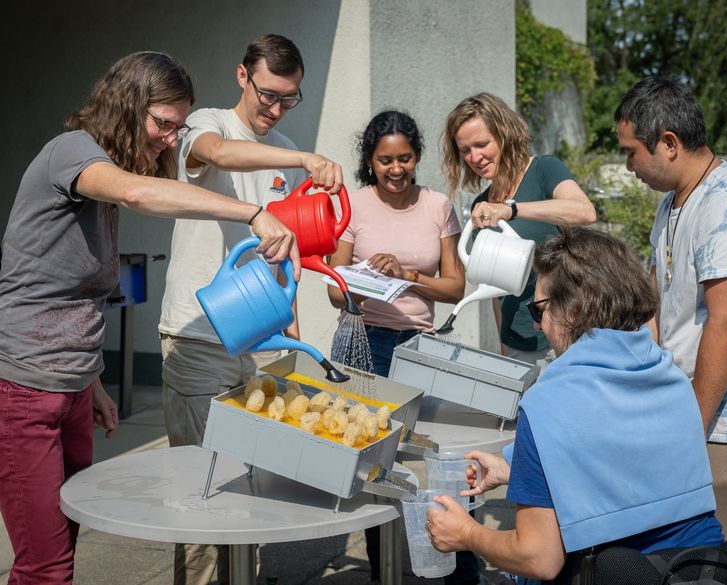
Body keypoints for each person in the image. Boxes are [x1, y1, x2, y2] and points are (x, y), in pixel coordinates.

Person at [0, 51, 299, 585]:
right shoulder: (73, 152)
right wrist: (253, 212)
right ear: (127, 104)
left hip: (69, 386)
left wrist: (91, 381)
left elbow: (66, 293)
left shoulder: (101, 179)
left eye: (178, 127)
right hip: (25, 389)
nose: (170, 138)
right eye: (163, 124)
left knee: (62, 549)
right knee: (44, 568)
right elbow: (141, 193)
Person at [427, 227, 724, 583]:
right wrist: (517, 470)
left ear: (573, 311)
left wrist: (466, 534)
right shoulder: (672, 379)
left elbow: (538, 558)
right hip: (697, 571)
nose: (538, 328)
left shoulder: (547, 403)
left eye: (538, 310)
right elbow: (619, 469)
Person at [157, 34, 343, 585]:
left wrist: (295, 342)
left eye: (290, 98)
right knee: (199, 492)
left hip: (262, 342)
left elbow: (286, 264)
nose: (277, 109)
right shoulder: (205, 124)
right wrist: (303, 155)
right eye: (269, 95)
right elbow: (218, 154)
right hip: (200, 339)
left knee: (251, 488)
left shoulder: (281, 148)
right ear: (243, 76)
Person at [614, 76, 727, 539]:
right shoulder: (672, 203)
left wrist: (691, 427)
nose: (628, 165)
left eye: (631, 151)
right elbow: (657, 304)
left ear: (668, 143)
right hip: (689, 414)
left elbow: (726, 326)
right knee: (690, 559)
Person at [326, 110, 467, 582]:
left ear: (417, 157)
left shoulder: (438, 206)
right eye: (385, 159)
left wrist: (407, 276)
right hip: (366, 346)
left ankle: (452, 564)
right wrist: (368, 279)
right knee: (374, 462)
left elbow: (454, 288)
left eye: (404, 158)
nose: (395, 168)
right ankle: (383, 568)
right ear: (371, 159)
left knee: (434, 457)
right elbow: (333, 289)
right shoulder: (354, 206)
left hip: (420, 346)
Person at [441, 92, 596, 364]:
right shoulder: (482, 204)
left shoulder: (543, 169)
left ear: (504, 135)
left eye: (481, 144)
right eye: (465, 150)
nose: (474, 157)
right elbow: (495, 289)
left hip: (566, 336)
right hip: (517, 343)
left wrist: (511, 209)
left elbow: (584, 211)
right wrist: (504, 348)